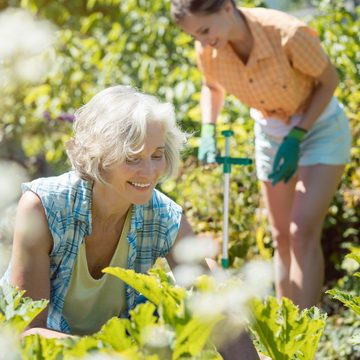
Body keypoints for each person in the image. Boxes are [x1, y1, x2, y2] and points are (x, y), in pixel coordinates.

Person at [1, 85, 259, 359]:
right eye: (132, 158)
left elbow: (215, 307)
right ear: (101, 157)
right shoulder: (45, 207)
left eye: (157, 155)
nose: (148, 172)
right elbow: (28, 330)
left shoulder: (164, 217)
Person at [170, 0, 352, 309]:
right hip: (270, 133)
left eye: (204, 30)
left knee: (301, 231)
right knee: (281, 236)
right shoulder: (210, 48)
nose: (202, 42)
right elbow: (211, 87)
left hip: (319, 129)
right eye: (194, 37)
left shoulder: (287, 34)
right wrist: (208, 130)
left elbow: (329, 80)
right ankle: (284, 329)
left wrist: (297, 135)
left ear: (227, 7)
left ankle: (302, 342)